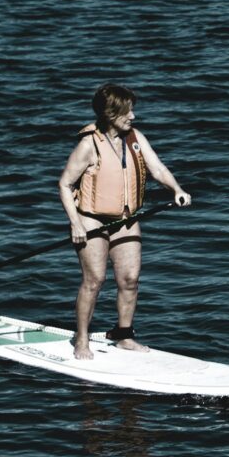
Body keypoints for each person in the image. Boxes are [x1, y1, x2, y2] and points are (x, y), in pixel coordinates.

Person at [57, 83, 191, 360]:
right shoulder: (88, 145)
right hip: (92, 220)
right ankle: (81, 339)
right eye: (127, 112)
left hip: (126, 218)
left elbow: (157, 168)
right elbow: (65, 184)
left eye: (132, 111)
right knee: (94, 281)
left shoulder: (135, 138)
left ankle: (124, 335)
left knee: (130, 280)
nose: (133, 117)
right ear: (110, 114)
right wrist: (75, 224)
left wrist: (176, 189)